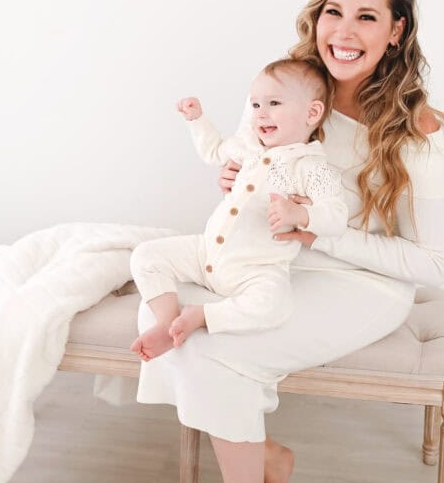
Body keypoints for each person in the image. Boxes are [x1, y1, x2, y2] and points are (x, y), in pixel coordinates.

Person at [134, 0, 444, 483]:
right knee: (166, 322)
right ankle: (266, 459)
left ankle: (256, 468)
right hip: (272, 260)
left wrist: (318, 234)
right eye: (334, 12)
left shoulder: (419, 132)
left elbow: (432, 263)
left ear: (396, 30)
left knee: (210, 345)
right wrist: (236, 183)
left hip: (364, 282)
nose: (343, 31)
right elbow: (248, 161)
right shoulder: (286, 88)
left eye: (367, 17)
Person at [129, 59, 349, 362]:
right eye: (256, 104)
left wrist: (300, 215)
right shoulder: (249, 146)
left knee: (274, 306)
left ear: (312, 112)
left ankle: (202, 315)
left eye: (273, 103)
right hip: (206, 252)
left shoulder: (310, 166)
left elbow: (337, 215)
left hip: (257, 268)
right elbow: (214, 151)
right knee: (146, 255)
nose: (261, 113)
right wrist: (197, 121)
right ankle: (167, 322)